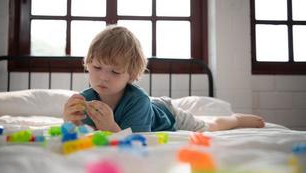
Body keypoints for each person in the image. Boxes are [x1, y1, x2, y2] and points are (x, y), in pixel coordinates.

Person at [63, 25, 265, 133]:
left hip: (168, 113)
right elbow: (82, 133)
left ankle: (235, 119)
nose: (104, 77)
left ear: (131, 76)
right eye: (97, 67)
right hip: (153, 106)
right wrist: (70, 121)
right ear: (88, 64)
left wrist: (111, 127)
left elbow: (139, 141)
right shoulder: (86, 99)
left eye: (115, 72)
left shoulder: (137, 100)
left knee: (209, 127)